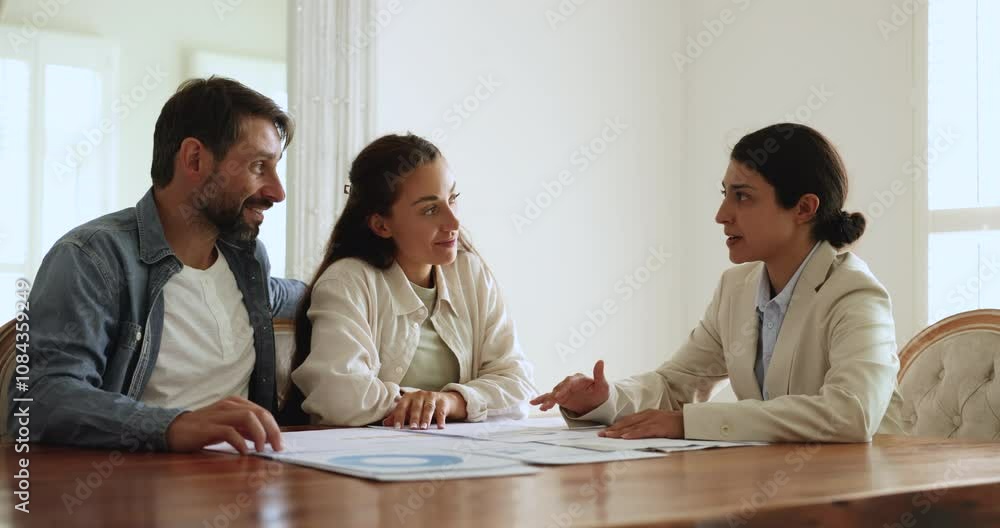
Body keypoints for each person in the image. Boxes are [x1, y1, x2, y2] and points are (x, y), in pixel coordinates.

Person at [532, 123, 904, 443]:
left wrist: (689, 424)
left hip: (861, 494)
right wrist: (604, 399)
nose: (721, 215)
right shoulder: (736, 288)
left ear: (804, 208)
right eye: (725, 195)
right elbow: (676, 386)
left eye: (743, 197)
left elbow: (851, 412)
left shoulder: (855, 293)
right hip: (775, 485)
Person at [7, 77, 305, 453]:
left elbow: (296, 294)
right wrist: (174, 426)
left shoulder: (248, 261)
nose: (277, 191)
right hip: (131, 492)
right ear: (194, 158)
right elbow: (39, 399)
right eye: (259, 166)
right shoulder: (91, 257)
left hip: (247, 486)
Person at [288, 133, 536, 429]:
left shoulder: (470, 273)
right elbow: (337, 396)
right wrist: (420, 403)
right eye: (431, 209)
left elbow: (519, 386)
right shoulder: (347, 282)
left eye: (452, 199)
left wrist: (451, 402)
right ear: (381, 225)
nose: (454, 222)